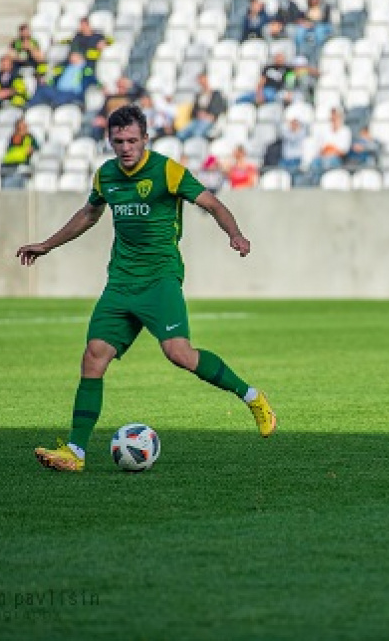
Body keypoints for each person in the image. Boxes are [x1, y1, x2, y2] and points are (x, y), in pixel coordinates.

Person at [17, 105, 276, 472]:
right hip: (120, 282)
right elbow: (89, 214)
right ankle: (75, 452)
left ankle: (253, 398)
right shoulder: (106, 176)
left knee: (179, 354)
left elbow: (213, 204)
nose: (125, 148)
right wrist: (47, 244)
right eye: (119, 141)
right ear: (110, 140)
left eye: (132, 141)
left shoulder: (166, 171)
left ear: (145, 140)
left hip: (160, 279)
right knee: (93, 356)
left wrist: (234, 234)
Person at [177, 72, 227, 140]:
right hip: (197, 120)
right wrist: (198, 114)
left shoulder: (216, 94)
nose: (202, 83)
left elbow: (220, 109)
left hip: (209, 120)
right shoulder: (199, 95)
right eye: (200, 81)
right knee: (181, 134)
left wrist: (210, 116)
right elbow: (194, 111)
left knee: (197, 134)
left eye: (203, 80)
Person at [0, 53, 28, 124]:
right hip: (2, 96)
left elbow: (19, 88)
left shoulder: (16, 75)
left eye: (7, 64)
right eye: (3, 64)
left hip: (14, 95)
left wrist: (8, 92)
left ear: (11, 65)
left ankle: (17, 120)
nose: (4, 66)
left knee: (18, 99)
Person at [310, 108, 352, 174]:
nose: (333, 118)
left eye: (336, 116)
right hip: (324, 157)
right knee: (314, 163)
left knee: (328, 162)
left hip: (338, 158)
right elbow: (321, 148)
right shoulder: (325, 130)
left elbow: (344, 151)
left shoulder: (345, 130)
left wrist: (330, 148)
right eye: (332, 116)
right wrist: (330, 148)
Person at [1, 118, 39, 189]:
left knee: (16, 178)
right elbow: (10, 151)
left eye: (25, 126)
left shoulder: (30, 138)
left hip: (21, 164)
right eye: (23, 126)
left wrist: (31, 150)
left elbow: (36, 148)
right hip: (8, 164)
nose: (25, 128)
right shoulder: (13, 137)